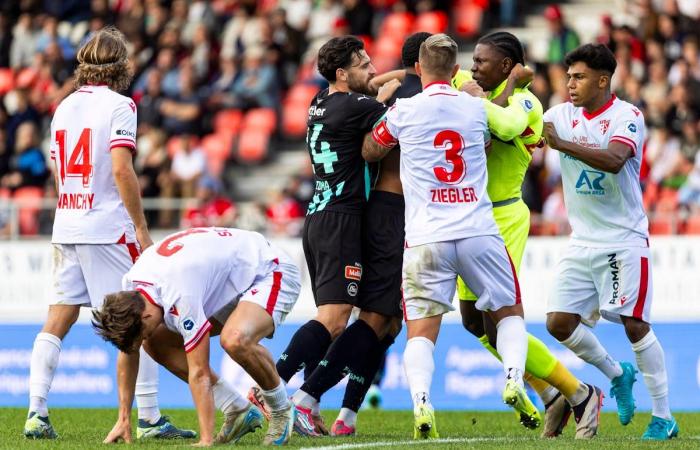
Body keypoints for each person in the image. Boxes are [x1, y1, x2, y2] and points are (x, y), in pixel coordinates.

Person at [22, 27, 193, 440]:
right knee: (140, 316)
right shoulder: (121, 105)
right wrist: (140, 226)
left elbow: (59, 171)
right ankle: (150, 417)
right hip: (106, 228)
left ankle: (36, 412)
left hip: (68, 221)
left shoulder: (62, 107)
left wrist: (73, 208)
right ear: (121, 65)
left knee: (57, 318)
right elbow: (121, 169)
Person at [362, 33, 535, 439]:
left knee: (422, 329)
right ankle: (513, 378)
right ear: (456, 70)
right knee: (508, 311)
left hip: (425, 237)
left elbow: (372, 150)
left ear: (418, 69)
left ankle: (422, 402)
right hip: (478, 229)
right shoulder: (476, 107)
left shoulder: (404, 110)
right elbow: (493, 141)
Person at [246, 35, 399, 437]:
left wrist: (386, 83)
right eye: (364, 63)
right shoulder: (357, 106)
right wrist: (403, 85)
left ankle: (306, 407)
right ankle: (269, 388)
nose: (373, 69)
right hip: (341, 220)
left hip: (319, 217)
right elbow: (395, 113)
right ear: (343, 73)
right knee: (333, 320)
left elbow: (375, 89)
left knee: (332, 318)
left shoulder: (321, 101)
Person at [451, 32, 602, 438]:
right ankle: (551, 395)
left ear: (506, 66)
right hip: (466, 219)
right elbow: (437, 70)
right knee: (472, 323)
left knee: (498, 320)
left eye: (482, 61)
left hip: (502, 219)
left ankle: (579, 391)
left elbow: (502, 126)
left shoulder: (527, 102)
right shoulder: (472, 82)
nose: (473, 66)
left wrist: (493, 90)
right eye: (473, 60)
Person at [543, 43, 678, 441]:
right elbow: (526, 132)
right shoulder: (558, 115)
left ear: (603, 80)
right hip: (582, 239)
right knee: (559, 322)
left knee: (635, 325)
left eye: (579, 77)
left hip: (623, 239)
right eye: (568, 77)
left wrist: (561, 144)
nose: (570, 84)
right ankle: (618, 375)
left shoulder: (627, 116)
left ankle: (663, 417)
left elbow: (615, 159)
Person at [93, 227, 302, 446]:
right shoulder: (132, 286)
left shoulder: (180, 295)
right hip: (231, 279)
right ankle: (237, 409)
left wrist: (206, 439)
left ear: (145, 316)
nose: (144, 336)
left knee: (235, 339)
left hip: (270, 269)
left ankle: (281, 410)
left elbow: (199, 372)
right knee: (154, 343)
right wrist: (123, 418)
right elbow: (129, 351)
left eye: (142, 332)